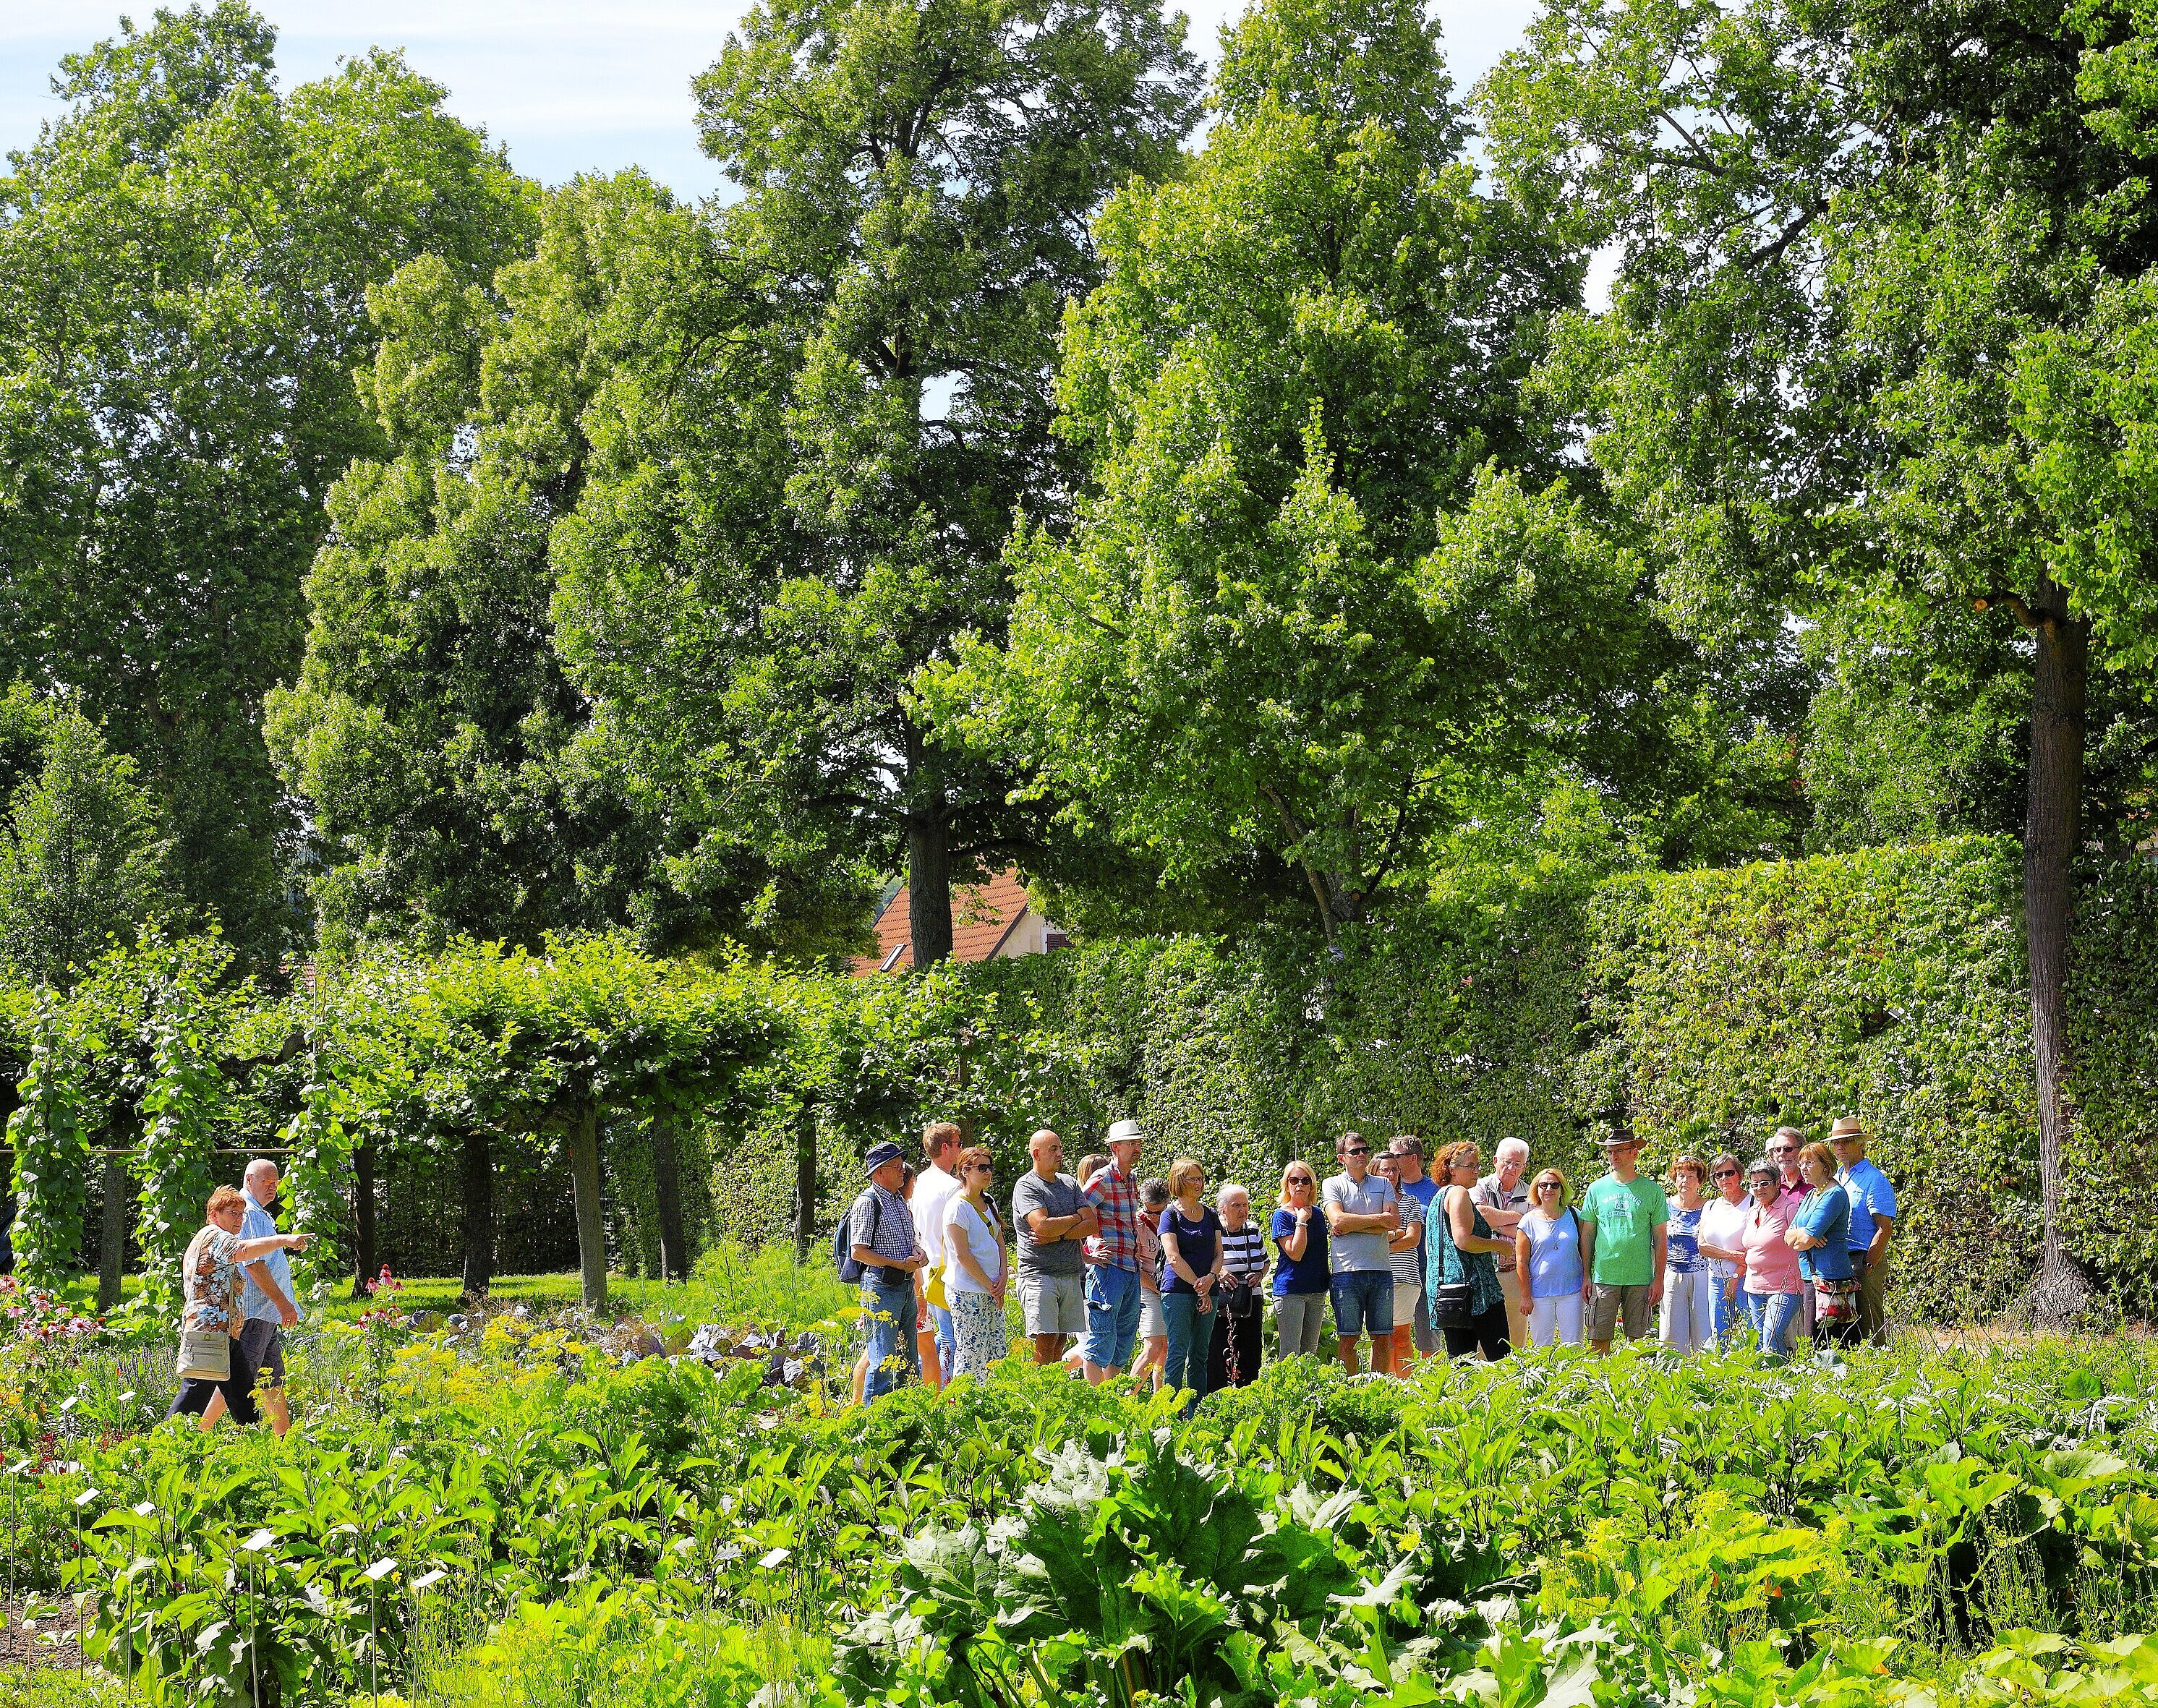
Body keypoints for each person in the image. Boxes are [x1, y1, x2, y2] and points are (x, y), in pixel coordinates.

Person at [167, 1187, 312, 1427]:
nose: (239, 1220)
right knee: (194, 1395)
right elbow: (244, 1252)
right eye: (233, 1213)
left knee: (243, 1395)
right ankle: (162, 1445)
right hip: (209, 1333)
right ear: (214, 1214)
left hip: (224, 1332)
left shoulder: (209, 1236)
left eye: (242, 1214)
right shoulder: (216, 1236)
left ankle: (256, 1445)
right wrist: (284, 1240)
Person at [200, 1158, 302, 1436]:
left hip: (265, 1313)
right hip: (256, 1311)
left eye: (276, 1183)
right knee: (236, 1380)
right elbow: (253, 1264)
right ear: (248, 1180)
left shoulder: (257, 1212)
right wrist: (283, 1303)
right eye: (265, 1182)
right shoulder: (248, 1213)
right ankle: (198, 1434)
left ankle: (285, 1440)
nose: (272, 1188)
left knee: (271, 1380)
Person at [1578, 1129, 1669, 1354]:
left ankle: (1636, 1387)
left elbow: (1660, 1238)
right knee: (1598, 1342)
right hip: (1604, 1276)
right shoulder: (1597, 1189)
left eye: (1619, 1151)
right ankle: (1600, 1386)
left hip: (1640, 1278)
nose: (1613, 1156)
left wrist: (1659, 1279)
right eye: (1610, 1152)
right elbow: (1587, 1234)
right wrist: (1586, 1275)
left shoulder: (1652, 1190)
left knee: (1638, 1344)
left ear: (1634, 1153)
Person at [848, 1141, 927, 1399]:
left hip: (904, 1287)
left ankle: (904, 1417)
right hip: (882, 1288)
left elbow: (907, 1241)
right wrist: (898, 1265)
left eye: (902, 1165)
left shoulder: (897, 1201)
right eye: (896, 1166)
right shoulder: (868, 1202)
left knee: (908, 1359)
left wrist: (918, 1254)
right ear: (879, 1172)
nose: (902, 1171)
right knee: (883, 1360)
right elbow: (858, 1251)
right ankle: (873, 1426)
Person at [1012, 1129, 1096, 1365]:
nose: (1060, 1153)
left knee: (1061, 1339)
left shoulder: (1069, 1183)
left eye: (1060, 1148)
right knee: (1046, 1339)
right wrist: (1074, 1218)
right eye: (1054, 1149)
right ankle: (1038, 1395)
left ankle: (1053, 1391)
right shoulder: (1027, 1186)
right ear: (1037, 1154)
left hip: (1070, 1273)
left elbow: (1091, 1224)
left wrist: (1059, 1236)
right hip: (1039, 1274)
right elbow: (1041, 1226)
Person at [1323, 1132, 1399, 1375]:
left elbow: (1394, 1222)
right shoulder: (1332, 1184)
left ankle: (1379, 1389)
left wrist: (1352, 1224)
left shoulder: (1384, 1184)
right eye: (1355, 1151)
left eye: (1365, 1149)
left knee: (1383, 1338)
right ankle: (1351, 1392)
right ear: (1341, 1158)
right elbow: (1337, 1219)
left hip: (1381, 1271)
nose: (1362, 1155)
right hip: (1347, 1272)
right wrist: (1378, 1222)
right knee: (1348, 1339)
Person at [1429, 1141, 1513, 1361]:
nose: (1476, 1171)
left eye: (1477, 1165)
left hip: (1448, 1292)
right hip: (1476, 1291)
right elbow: (1463, 1240)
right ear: (1451, 1168)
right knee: (1502, 1359)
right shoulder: (1459, 1194)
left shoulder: (1438, 1197)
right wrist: (1499, 1245)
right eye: (1470, 1166)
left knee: (1461, 1364)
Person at [1080, 1119, 1146, 1383]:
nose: (1136, 1148)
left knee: (1124, 1339)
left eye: (1138, 1143)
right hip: (1107, 1269)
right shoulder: (1102, 1178)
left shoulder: (1131, 1179)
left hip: (1130, 1268)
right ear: (1115, 1147)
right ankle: (1094, 1401)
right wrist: (1087, 1255)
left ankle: (1110, 1401)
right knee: (1101, 1337)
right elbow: (1077, 1216)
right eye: (1131, 1143)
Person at [1158, 1158, 1224, 1414]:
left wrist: (1210, 1279)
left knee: (1200, 1355)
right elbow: (1173, 1256)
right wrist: (1200, 1285)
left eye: (1201, 1178)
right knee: (1177, 1352)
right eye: (1193, 1179)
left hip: (1209, 1289)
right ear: (1178, 1181)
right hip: (1178, 1292)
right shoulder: (1170, 1215)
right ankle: (1172, 1412)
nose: (1200, 1183)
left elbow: (1219, 1254)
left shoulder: (1211, 1215)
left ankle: (1197, 1412)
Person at [942, 1145, 1010, 1380]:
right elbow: (963, 1255)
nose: (988, 1172)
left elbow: (1000, 1243)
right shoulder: (956, 1208)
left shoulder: (988, 1201)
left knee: (996, 1355)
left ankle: (992, 1409)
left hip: (992, 1290)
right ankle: (963, 1408)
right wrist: (992, 1286)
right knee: (972, 1356)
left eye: (990, 1167)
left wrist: (1003, 1276)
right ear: (964, 1170)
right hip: (968, 1293)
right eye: (982, 1167)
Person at [1784, 1141, 1856, 1356]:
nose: (1803, 1168)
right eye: (1801, 1163)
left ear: (1825, 1165)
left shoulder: (1834, 1194)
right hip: (1811, 1276)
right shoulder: (1811, 1195)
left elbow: (1804, 1241)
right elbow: (1789, 1236)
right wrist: (1805, 1234)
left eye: (1809, 1163)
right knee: (1813, 1341)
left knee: (1829, 1343)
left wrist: (1805, 1236)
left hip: (1830, 1277)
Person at [1830, 1116, 1897, 1344]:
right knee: (1843, 1324)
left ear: (1860, 1143)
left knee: (1869, 1322)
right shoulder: (1836, 1177)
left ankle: (1880, 1368)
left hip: (1863, 1257)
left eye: (1846, 1142)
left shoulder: (1874, 1179)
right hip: (1839, 1259)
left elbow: (1884, 1229)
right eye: (1836, 1143)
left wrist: (1869, 1264)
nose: (1840, 1147)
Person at [912, 1122, 965, 1389]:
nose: (962, 1150)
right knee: (951, 1339)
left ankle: (928, 1393)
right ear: (946, 1148)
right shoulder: (953, 1187)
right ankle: (948, 1397)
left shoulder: (919, 1181)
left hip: (922, 1270)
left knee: (929, 1342)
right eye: (959, 1145)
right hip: (947, 1272)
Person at [1739, 1158, 1803, 1360]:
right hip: (1754, 1287)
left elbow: (1804, 1242)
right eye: (1754, 1184)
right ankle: (1768, 1381)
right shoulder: (1753, 1211)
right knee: (1760, 1340)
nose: (1759, 1189)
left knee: (1771, 1336)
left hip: (1785, 1286)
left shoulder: (1790, 1209)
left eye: (1764, 1183)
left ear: (1777, 1183)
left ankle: (1785, 1379)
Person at [1514, 1166, 1583, 1347]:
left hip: (1572, 1292)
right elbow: (1521, 1262)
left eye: (1554, 1185)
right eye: (1543, 1185)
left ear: (1562, 1189)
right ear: (1536, 1190)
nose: (1549, 1190)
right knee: (1542, 1348)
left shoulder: (1575, 1215)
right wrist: (1525, 1296)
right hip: (1539, 1295)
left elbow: (1586, 1250)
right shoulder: (1527, 1221)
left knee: (1574, 1347)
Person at [1208, 1183, 1268, 1391]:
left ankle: (1248, 1397)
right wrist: (1221, 1273)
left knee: (1251, 1353)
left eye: (1245, 1205)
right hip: (1222, 1302)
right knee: (1218, 1353)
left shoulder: (1253, 1229)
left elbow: (1266, 1261)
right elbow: (1206, 1261)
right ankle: (1216, 1399)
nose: (1243, 1210)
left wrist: (1259, 1275)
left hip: (1251, 1301)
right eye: (1236, 1206)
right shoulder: (1214, 1230)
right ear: (1223, 1208)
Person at [1387, 1138, 1441, 1359]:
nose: (1393, 1161)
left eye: (1397, 1156)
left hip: (1428, 1269)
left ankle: (1428, 1377)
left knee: (1428, 1330)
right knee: (1393, 1332)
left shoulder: (1435, 1189)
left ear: (1413, 1158)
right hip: (1395, 1270)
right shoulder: (1384, 1188)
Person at [1270, 1161, 1329, 1359]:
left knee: (1310, 1354)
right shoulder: (1281, 1216)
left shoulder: (1319, 1214)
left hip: (1317, 1290)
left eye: (1305, 1181)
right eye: (1294, 1180)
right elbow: (1295, 1253)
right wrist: (1301, 1221)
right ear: (1286, 1184)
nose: (1299, 1185)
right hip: (1291, 1292)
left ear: (1312, 1185)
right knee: (1290, 1354)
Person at [1660, 1155, 1717, 1355]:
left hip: (1702, 1274)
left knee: (1705, 1331)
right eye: (1681, 1176)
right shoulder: (1664, 1206)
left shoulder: (1710, 1207)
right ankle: (1671, 1375)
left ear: (1700, 1181)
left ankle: (1706, 1374)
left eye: (1691, 1176)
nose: (1685, 1181)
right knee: (1670, 1334)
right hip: (1671, 1275)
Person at [1374, 1150, 1425, 1375]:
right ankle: (1387, 1386)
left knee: (1402, 1336)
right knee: (1382, 1337)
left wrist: (1380, 1245)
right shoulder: (1369, 1203)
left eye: (1395, 1169)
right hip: (1375, 1276)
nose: (1392, 1174)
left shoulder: (1411, 1201)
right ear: (1374, 1172)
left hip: (1405, 1276)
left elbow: (1413, 1238)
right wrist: (1395, 1235)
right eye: (1385, 1170)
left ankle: (1406, 1386)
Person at [1475, 1138, 1532, 1336]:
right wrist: (1518, 1219)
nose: (1511, 1168)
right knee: (1485, 1338)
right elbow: (1479, 1216)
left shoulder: (1531, 1193)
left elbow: (1531, 1232)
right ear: (1495, 1161)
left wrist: (1495, 1225)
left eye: (1517, 1164)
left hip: (1516, 1273)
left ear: (1523, 1167)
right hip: (1486, 1272)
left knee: (1517, 1337)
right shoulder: (1480, 1187)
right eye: (1507, 1162)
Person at [1695, 1152, 1751, 1349]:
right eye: (1718, 1175)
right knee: (1720, 1337)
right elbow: (1702, 1246)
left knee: (1749, 1335)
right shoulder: (1710, 1206)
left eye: (1729, 1173)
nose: (1724, 1179)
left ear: (1740, 1175)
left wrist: (1735, 1277)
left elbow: (1752, 1250)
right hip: (1716, 1279)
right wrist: (1730, 1256)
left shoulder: (1752, 1204)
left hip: (1746, 1281)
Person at [1767, 1126, 1813, 1341]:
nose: (1782, 1155)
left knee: (1808, 1335)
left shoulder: (1815, 1185)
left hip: (1810, 1271)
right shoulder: (1769, 1187)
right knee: (1779, 1335)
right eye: (1777, 1150)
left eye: (1788, 1149)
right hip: (1777, 1277)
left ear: (1801, 1150)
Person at [1130, 1177, 1172, 1393]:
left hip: (1169, 1287)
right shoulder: (1137, 1224)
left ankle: (1159, 1397)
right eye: (1150, 1211)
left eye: (1159, 1212)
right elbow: (1135, 1268)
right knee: (1153, 1344)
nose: (1154, 1217)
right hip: (1148, 1288)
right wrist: (1158, 1287)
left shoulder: (1174, 1219)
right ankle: (1128, 1397)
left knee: (1165, 1347)